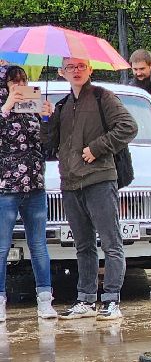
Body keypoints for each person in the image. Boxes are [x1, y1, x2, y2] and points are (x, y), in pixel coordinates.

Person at [46, 57, 137, 321]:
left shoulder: (102, 97)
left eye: (81, 66)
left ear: (90, 69)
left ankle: (111, 300)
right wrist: (47, 117)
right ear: (62, 72)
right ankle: (85, 300)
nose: (76, 71)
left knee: (111, 243)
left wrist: (97, 148)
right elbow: (50, 144)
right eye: (70, 67)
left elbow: (128, 126)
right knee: (83, 245)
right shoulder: (62, 105)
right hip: (71, 183)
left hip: (99, 179)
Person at [0, 66, 58, 322]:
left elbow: (48, 146)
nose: (19, 85)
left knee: (39, 245)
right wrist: (6, 108)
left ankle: (45, 300)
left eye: (22, 80)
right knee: (2, 247)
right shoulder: (3, 107)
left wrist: (47, 118)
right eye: (13, 81)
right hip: (6, 188)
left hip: (35, 185)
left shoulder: (32, 107)